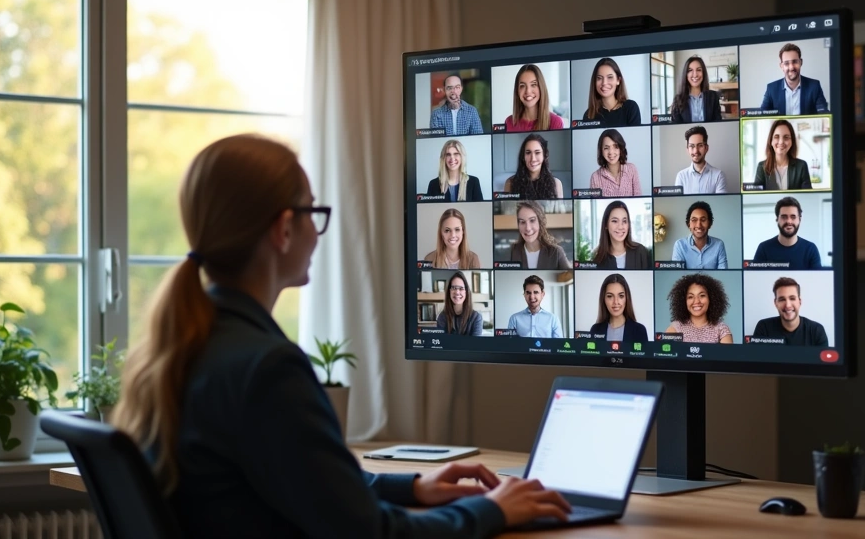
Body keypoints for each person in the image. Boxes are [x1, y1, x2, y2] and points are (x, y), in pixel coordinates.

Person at [111, 134, 570, 538]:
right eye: (314, 212)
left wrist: (411, 485)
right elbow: (374, 533)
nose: (317, 230)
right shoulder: (266, 369)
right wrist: (490, 510)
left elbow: (305, 478)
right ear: (284, 228)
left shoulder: (187, 346)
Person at [751, 277, 829, 346]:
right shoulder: (763, 328)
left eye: (792, 298)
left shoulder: (817, 331)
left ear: (800, 302)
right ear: (775, 303)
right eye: (782, 299)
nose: (788, 305)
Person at [752, 196, 822, 269]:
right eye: (784, 217)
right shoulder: (764, 249)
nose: (789, 221)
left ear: (799, 220)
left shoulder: (810, 249)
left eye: (793, 217)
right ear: (777, 219)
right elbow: (755, 278)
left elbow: (817, 279)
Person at [759, 43, 828, 115]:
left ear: (801, 62)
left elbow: (824, 115)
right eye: (786, 63)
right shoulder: (771, 89)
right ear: (781, 66)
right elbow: (762, 117)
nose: (791, 67)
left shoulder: (814, 86)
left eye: (795, 62)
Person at [663, 273, 733, 343]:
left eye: (702, 295)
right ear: (683, 301)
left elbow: (727, 354)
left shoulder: (722, 330)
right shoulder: (675, 329)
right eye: (690, 297)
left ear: (711, 298)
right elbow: (667, 352)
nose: (696, 301)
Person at [508, 200, 572, 269]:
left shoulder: (556, 252)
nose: (528, 228)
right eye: (522, 222)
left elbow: (570, 275)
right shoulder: (513, 251)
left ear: (540, 222)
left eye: (532, 220)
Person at [580, 57, 641, 126]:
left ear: (618, 80)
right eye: (599, 78)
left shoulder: (631, 108)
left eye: (610, 77)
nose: (604, 83)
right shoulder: (589, 115)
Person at [753, 119, 812, 190]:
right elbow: (756, 197)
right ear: (771, 141)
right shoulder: (761, 167)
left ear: (792, 142)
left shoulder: (802, 166)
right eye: (776, 137)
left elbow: (808, 196)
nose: (781, 142)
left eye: (786, 137)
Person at [589, 273, 649, 343]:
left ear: (627, 298)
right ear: (603, 299)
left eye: (621, 296)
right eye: (610, 296)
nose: (616, 302)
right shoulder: (595, 330)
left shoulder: (639, 330)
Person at [591, 200, 651, 269]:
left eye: (624, 221)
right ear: (606, 225)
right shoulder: (598, 258)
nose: (620, 227)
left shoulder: (641, 252)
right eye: (615, 221)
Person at [504, 64, 564, 132]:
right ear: (517, 90)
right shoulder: (509, 122)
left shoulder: (555, 122)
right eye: (522, 86)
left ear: (541, 88)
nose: (528, 91)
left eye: (533, 84)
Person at [503, 133, 564, 199]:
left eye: (537, 153)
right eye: (528, 153)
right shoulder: (510, 183)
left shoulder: (556, 184)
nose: (533, 159)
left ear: (544, 155)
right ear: (523, 156)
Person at [671, 201, 728, 270]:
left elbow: (723, 272)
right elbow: (678, 274)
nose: (698, 225)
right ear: (689, 224)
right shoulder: (680, 245)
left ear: (710, 224)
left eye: (703, 220)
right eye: (694, 220)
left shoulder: (719, 245)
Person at [674, 125, 727, 194]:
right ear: (688, 149)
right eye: (692, 146)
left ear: (706, 148)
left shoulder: (718, 176)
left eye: (700, 145)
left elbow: (721, 202)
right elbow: (679, 202)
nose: (696, 151)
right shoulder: (681, 176)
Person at [588, 128, 642, 197]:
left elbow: (638, 199)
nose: (611, 152)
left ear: (620, 148)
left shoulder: (632, 169)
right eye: (606, 148)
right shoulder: (595, 177)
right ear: (601, 151)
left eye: (615, 147)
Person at [669, 56, 722, 123]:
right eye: (690, 70)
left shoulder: (713, 97)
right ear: (686, 74)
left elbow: (718, 124)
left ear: (703, 73)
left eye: (699, 70)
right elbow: (675, 128)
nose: (695, 75)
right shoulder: (678, 100)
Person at [436, 271, 483, 336]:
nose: (457, 292)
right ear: (449, 291)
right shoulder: (442, 317)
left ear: (466, 292)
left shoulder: (476, 318)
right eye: (454, 288)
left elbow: (476, 345)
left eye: (461, 288)